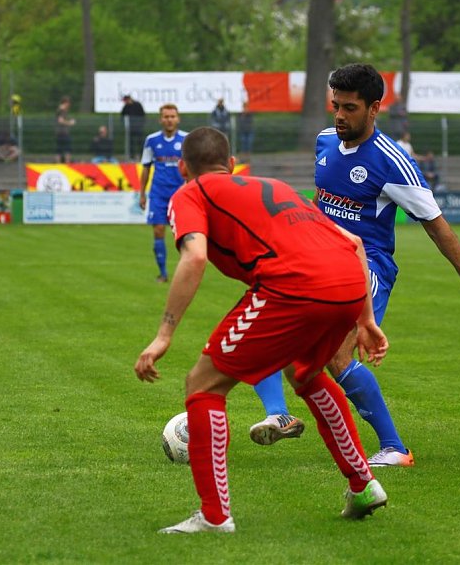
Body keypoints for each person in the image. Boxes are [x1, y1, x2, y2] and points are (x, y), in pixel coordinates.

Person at [250, 63, 460, 467]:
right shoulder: (324, 142)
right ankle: (279, 414)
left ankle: (394, 448)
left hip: (365, 268)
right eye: (335, 105)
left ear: (374, 108)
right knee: (266, 326)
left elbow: (437, 227)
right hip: (314, 263)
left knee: (338, 358)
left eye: (350, 108)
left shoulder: (392, 161)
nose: (339, 115)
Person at [135, 126, 390, 533]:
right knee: (305, 372)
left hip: (292, 285)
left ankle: (214, 518)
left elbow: (195, 257)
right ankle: (362, 484)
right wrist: (366, 319)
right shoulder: (274, 185)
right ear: (232, 165)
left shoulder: (190, 192)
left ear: (183, 168)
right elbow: (354, 243)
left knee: (202, 384)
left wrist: (164, 334)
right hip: (347, 281)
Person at [139, 104, 188, 283]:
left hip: (181, 194)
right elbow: (145, 168)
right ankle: (163, 273)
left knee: (183, 235)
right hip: (158, 193)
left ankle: (186, 273)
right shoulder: (151, 140)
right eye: (166, 116)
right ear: (160, 119)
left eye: (172, 116)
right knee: (159, 231)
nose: (169, 120)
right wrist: (142, 194)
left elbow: (192, 167)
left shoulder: (186, 139)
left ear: (178, 118)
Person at [121, 94, 146, 160]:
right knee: (131, 143)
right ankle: (132, 156)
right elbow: (122, 116)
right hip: (130, 129)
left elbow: (142, 115)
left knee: (140, 142)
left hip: (138, 127)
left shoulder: (137, 105)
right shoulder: (125, 107)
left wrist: (141, 124)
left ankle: (142, 156)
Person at [55, 96, 75, 163]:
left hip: (60, 132)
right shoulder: (61, 110)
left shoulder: (60, 110)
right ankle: (67, 164)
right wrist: (70, 123)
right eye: (68, 103)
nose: (69, 105)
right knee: (67, 149)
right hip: (63, 133)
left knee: (59, 150)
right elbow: (60, 121)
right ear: (66, 103)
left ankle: (59, 164)